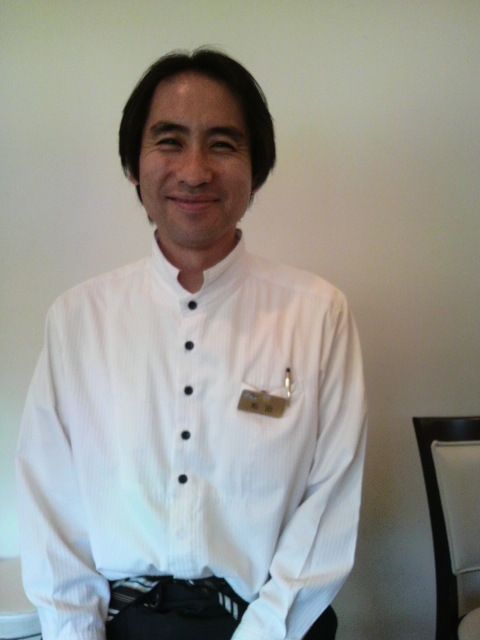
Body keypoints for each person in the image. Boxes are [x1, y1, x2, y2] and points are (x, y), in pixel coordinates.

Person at [16, 47, 367, 640]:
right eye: (170, 141)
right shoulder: (77, 320)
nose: (195, 171)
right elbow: (51, 512)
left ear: (257, 169)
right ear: (134, 164)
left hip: (272, 622)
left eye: (223, 144)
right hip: (121, 624)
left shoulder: (318, 314)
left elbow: (329, 506)